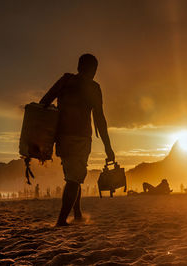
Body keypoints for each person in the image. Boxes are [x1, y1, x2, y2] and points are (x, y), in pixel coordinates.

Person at [40, 54, 115, 226]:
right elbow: (100, 120)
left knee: (74, 175)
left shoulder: (66, 80)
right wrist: (108, 147)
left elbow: (44, 102)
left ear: (78, 66)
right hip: (81, 138)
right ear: (94, 70)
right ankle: (61, 220)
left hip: (62, 138)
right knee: (75, 178)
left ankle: (78, 213)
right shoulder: (94, 87)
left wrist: (43, 134)